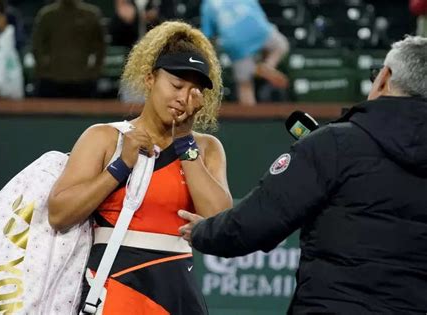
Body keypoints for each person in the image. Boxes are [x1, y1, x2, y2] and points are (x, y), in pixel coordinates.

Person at [179, 35, 427, 314]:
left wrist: (204, 232)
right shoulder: (335, 144)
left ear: (384, 78)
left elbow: (256, 222)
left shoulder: (334, 144)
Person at [47, 21, 233, 314]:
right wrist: (121, 166)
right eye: (177, 85)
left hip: (179, 297)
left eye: (195, 91)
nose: (184, 98)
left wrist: (185, 141)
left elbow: (221, 222)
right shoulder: (104, 137)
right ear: (149, 79)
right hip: (115, 291)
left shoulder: (207, 149)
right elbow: (59, 213)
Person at [200, 0, 290, 106]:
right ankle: (268, 65)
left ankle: (252, 118)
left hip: (235, 43)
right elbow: (261, 15)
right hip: (259, 30)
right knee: (281, 45)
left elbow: (207, 36)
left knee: (245, 85)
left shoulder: (208, 4)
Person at [32, 0, 105, 98]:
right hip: (52, 81)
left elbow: (101, 47)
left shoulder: (91, 15)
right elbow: (37, 46)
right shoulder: (47, 15)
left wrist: (94, 72)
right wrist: (45, 71)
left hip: (83, 81)